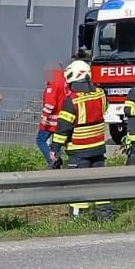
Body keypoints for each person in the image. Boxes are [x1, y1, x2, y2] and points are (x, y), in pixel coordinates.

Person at [49, 60, 112, 221]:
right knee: (100, 185)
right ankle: (105, 216)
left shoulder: (71, 101)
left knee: (78, 186)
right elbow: (102, 111)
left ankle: (78, 220)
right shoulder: (101, 94)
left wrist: (55, 149)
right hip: (98, 148)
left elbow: (63, 129)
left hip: (79, 150)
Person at [36, 61, 68, 168]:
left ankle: (52, 161)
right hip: (63, 118)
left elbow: (50, 102)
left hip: (51, 120)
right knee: (56, 143)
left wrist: (44, 116)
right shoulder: (65, 81)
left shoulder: (53, 82)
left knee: (40, 140)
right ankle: (57, 160)